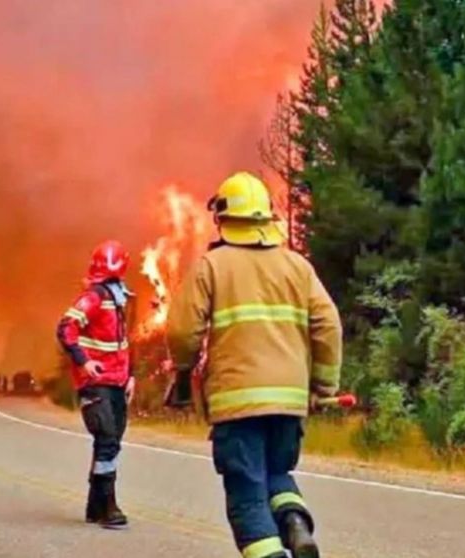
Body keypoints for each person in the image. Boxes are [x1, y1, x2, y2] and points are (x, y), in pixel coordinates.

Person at [166, 172, 342, 558]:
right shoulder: (298, 267)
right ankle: (294, 521)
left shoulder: (212, 266)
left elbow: (182, 332)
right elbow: (328, 325)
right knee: (277, 473)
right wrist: (323, 386)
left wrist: (183, 369)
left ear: (223, 218)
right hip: (289, 403)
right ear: (266, 216)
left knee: (246, 491)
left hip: (237, 402)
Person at [56, 240, 136, 528]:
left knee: (110, 442)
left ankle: (95, 506)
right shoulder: (94, 296)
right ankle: (109, 507)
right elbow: (66, 327)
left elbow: (124, 342)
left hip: (117, 381)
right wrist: (84, 362)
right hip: (96, 381)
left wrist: (131, 375)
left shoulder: (119, 298)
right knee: (107, 440)